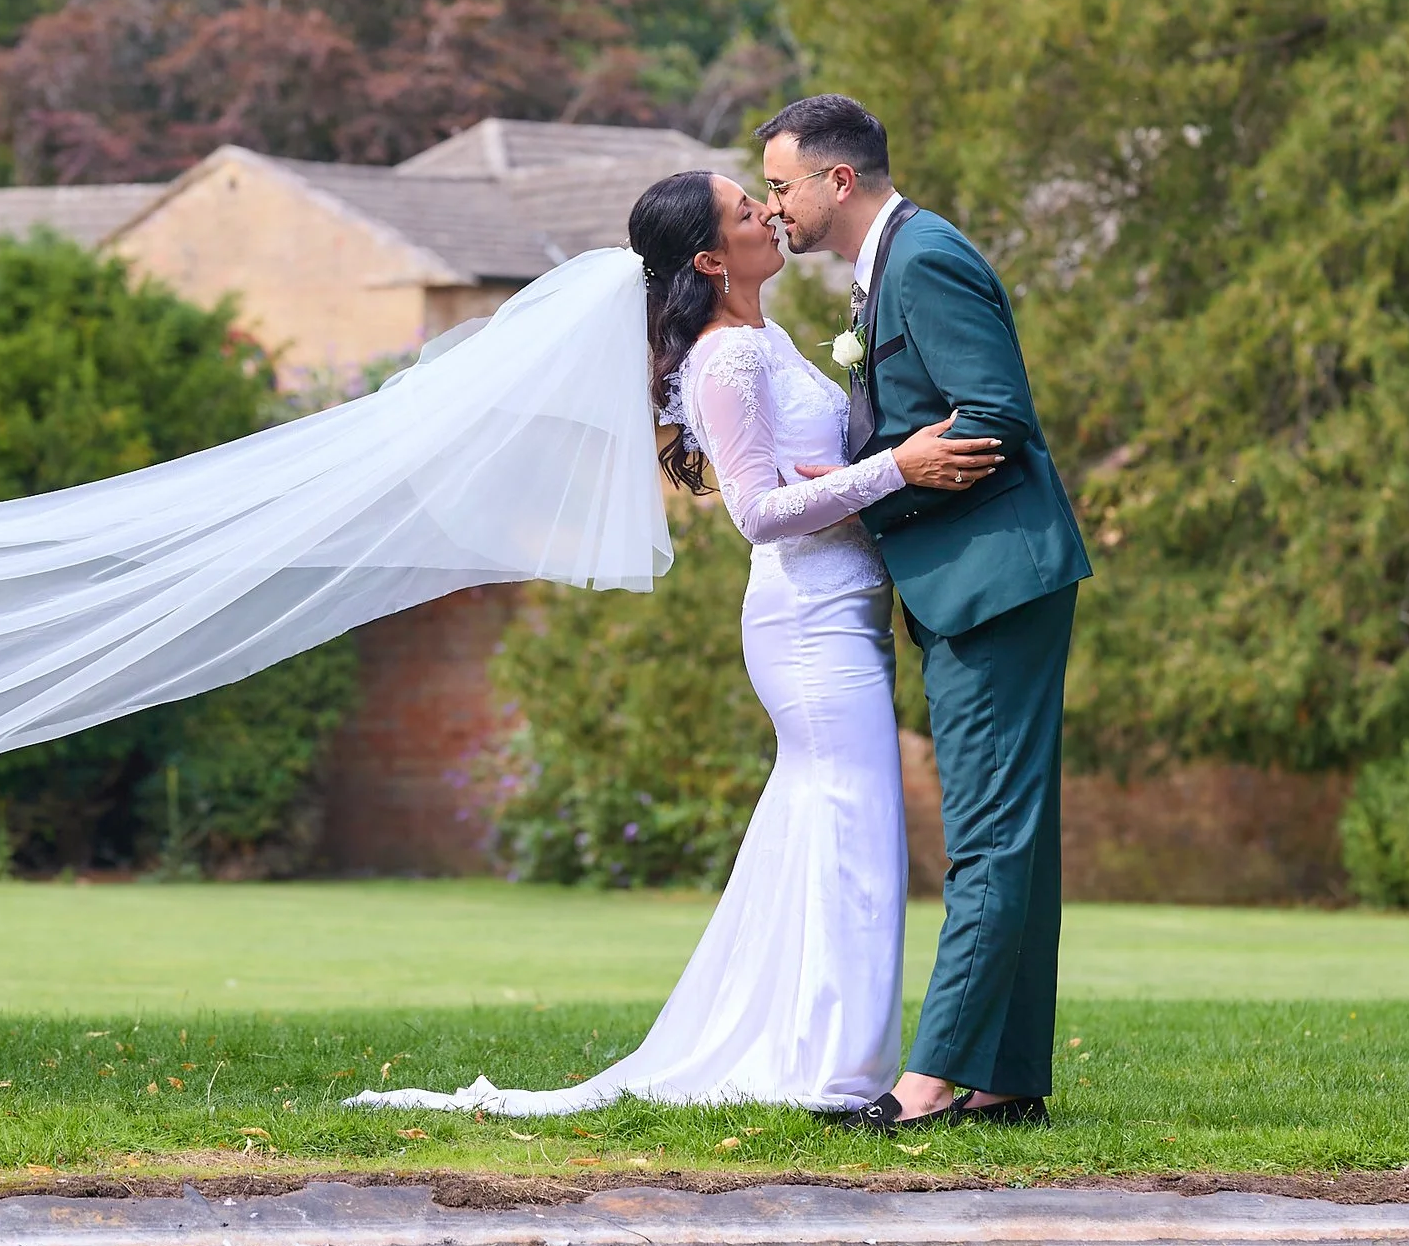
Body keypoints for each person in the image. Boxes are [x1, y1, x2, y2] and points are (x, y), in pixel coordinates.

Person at [345, 170, 1000, 1116]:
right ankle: (839, 1072)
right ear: (708, 257)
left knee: (833, 827)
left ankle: (820, 1052)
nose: (769, 214)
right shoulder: (725, 360)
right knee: (853, 833)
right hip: (808, 624)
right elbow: (757, 513)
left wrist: (862, 471)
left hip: (840, 613)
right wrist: (894, 467)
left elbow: (800, 475)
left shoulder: (762, 338)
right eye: (747, 210)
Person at [759, 93, 1092, 1132]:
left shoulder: (925, 258)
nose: (774, 209)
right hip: (980, 583)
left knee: (988, 835)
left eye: (780, 187)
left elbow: (995, 415)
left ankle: (928, 1083)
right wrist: (870, 471)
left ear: (837, 180)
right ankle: (1002, 1081)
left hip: (992, 580)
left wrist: (872, 481)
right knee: (1013, 835)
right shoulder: (888, 268)